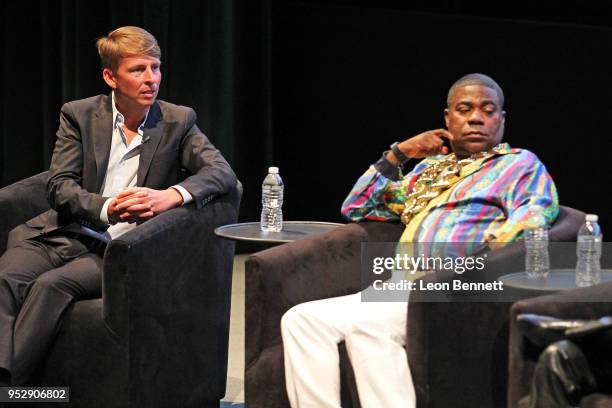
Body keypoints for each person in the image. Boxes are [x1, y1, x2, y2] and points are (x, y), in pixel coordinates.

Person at [280, 73, 558, 407]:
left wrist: (477, 263)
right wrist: (400, 153)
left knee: (369, 328)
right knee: (301, 320)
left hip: (456, 286)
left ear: (501, 119)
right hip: (401, 286)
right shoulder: (430, 170)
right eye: (465, 108)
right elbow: (356, 207)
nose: (476, 117)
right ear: (447, 118)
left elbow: (534, 217)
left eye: (488, 109)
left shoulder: (519, 164)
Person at [0, 26, 236, 386]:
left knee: (51, 286)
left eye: (155, 68)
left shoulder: (177, 120)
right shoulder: (79, 115)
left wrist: (169, 196)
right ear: (111, 76)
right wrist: (107, 207)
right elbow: (59, 186)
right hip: (65, 232)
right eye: (138, 70)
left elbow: (221, 173)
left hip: (119, 249)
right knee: (6, 276)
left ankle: (12, 389)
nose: (151, 79)